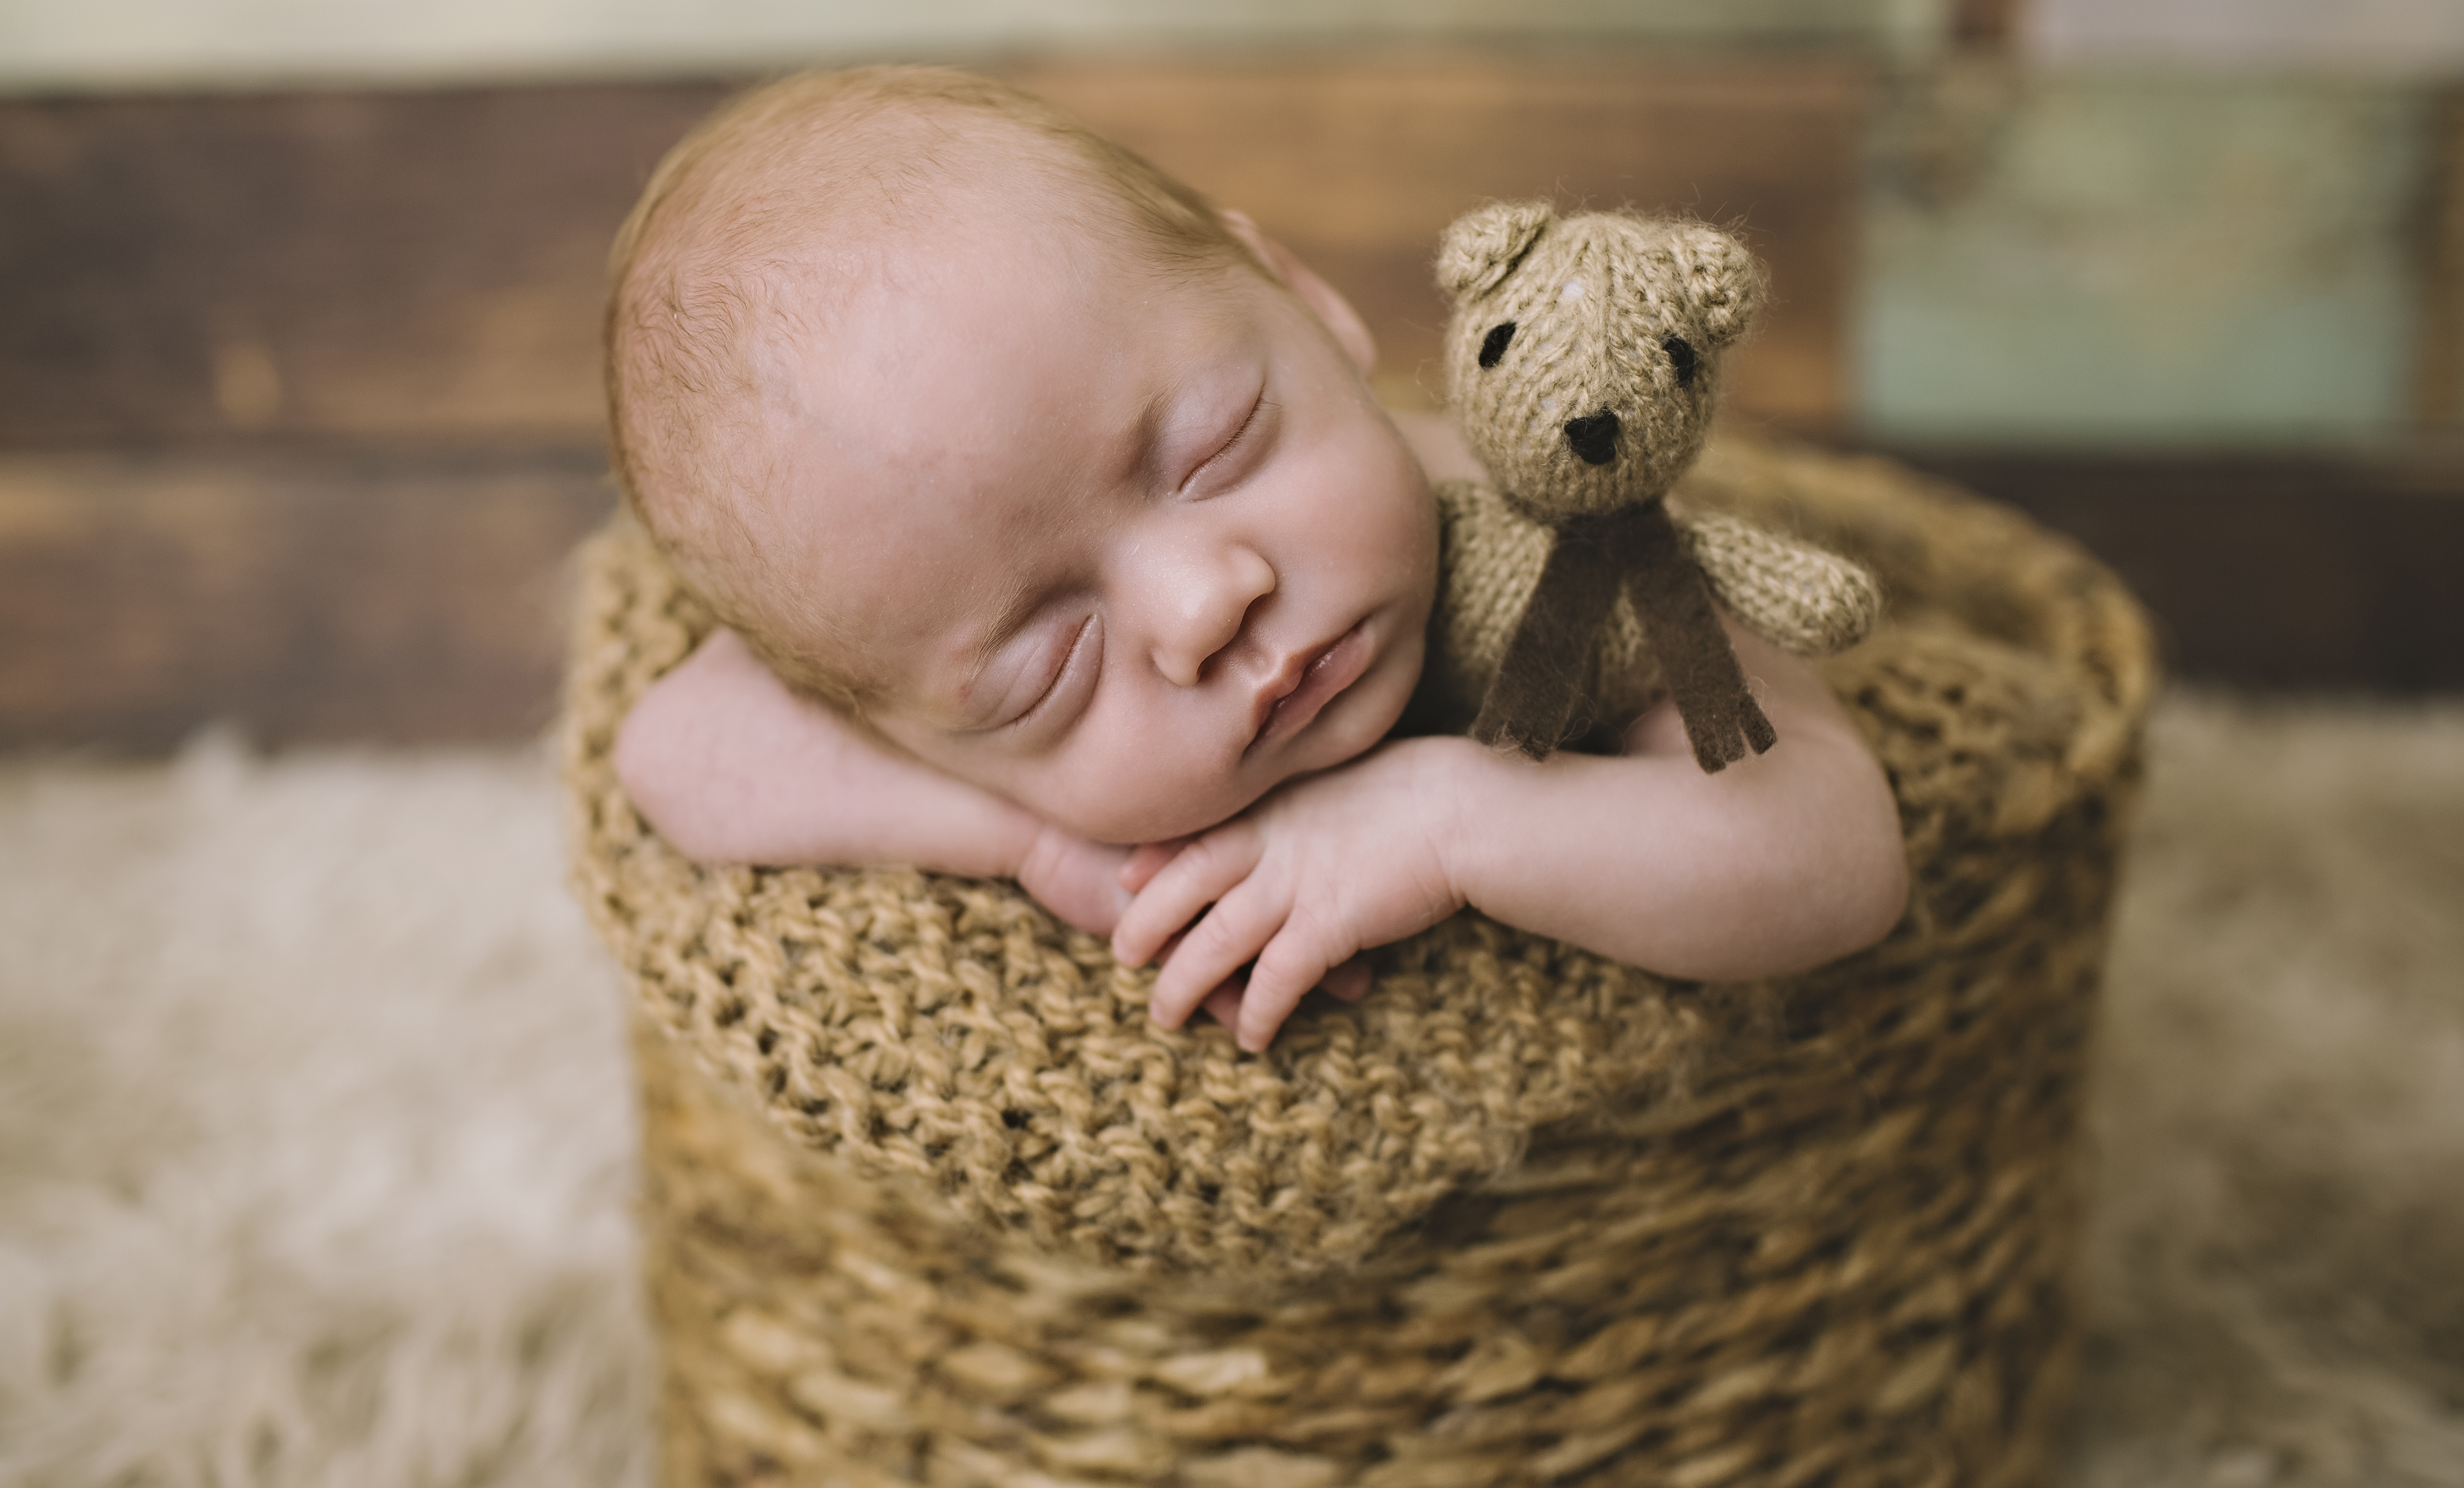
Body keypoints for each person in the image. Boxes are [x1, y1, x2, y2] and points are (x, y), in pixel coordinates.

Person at [605, 66, 1909, 1052]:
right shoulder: (912, 634)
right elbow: (675, 748)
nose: (1203, 605)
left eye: (1214, 447)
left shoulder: (1559, 542)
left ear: (1302, 296)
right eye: (1045, 671)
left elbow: (1829, 850)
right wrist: (1029, 840)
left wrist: (1454, 824)